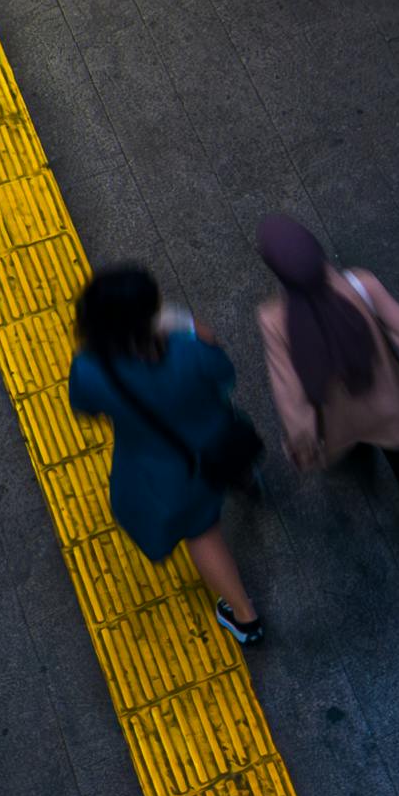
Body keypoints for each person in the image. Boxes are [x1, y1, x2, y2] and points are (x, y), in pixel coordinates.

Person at [251, 212, 399, 578]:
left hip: (337, 421)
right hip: (390, 408)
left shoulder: (273, 319)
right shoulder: (360, 283)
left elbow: (290, 395)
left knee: (348, 448)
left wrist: (302, 443)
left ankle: (357, 461)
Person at [68, 262, 265, 642]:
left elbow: (86, 407)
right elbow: (224, 370)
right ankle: (246, 483)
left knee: (203, 534)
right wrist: (189, 326)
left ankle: (245, 618)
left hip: (171, 473)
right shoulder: (187, 350)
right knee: (230, 469)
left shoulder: (91, 371)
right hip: (221, 442)